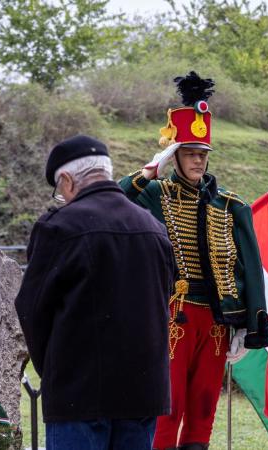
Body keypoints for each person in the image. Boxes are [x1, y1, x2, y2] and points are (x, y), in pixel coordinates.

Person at [119, 72, 268, 450]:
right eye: (190, 154)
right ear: (175, 157)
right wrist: (146, 172)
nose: (198, 162)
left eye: (202, 155)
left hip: (217, 319)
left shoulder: (231, 205)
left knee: (204, 408)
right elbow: (113, 201)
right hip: (175, 315)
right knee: (167, 407)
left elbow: (249, 267)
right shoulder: (156, 193)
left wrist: (249, 327)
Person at [15, 135, 176, 450]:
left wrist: (54, 369)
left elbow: (32, 310)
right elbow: (165, 295)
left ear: (68, 180)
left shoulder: (59, 228)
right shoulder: (153, 228)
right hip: (144, 390)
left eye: (59, 191)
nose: (62, 196)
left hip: (79, 392)